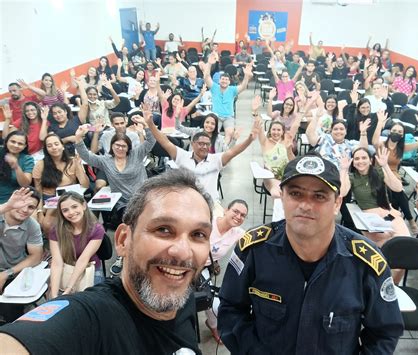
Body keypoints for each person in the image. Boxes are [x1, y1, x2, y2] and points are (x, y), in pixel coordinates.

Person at [0, 169, 214, 354]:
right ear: (123, 239)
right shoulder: (89, 317)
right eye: (163, 230)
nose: (183, 252)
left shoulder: (182, 297)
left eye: (198, 234)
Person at [217, 153, 404, 353]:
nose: (305, 205)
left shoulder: (366, 263)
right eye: (296, 194)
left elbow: (384, 332)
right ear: (282, 196)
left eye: (319, 196)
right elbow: (230, 310)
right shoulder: (253, 250)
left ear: (337, 204)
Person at [148, 118, 259, 204]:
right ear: (192, 144)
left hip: (209, 204)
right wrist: (150, 124)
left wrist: (249, 140)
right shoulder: (183, 156)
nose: (204, 147)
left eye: (207, 144)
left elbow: (233, 152)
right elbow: (165, 142)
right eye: (201, 144)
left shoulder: (216, 160)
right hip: (185, 203)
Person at [339, 147, 411, 248]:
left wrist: (385, 166)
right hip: (370, 218)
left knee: (404, 241)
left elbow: (398, 188)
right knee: (385, 242)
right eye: (357, 159)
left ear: (370, 160)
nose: (360, 161)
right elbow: (341, 193)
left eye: (364, 158)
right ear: (353, 162)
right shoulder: (352, 177)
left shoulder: (379, 172)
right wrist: (343, 169)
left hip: (389, 213)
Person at [372, 110, 418, 234]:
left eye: (399, 132)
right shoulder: (382, 145)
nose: (396, 133)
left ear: (402, 135)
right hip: (379, 174)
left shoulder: (402, 148)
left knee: (397, 192)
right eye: (394, 130)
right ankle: (410, 220)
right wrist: (380, 122)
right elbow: (374, 141)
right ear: (390, 131)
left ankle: (397, 219)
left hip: (394, 176)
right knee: (398, 192)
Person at [203, 199, 248, 343]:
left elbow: (256, 243)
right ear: (226, 210)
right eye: (235, 211)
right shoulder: (207, 223)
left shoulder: (237, 233)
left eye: (243, 215)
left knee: (215, 305)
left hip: (202, 271)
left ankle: (213, 326)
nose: (238, 216)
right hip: (185, 265)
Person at [48, 192, 104, 299]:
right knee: (53, 296)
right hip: (67, 266)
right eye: (65, 210)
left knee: (90, 302)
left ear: (83, 205)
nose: (71, 212)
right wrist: (54, 295)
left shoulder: (96, 229)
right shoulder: (55, 230)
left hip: (89, 267)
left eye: (74, 207)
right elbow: (57, 262)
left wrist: (69, 289)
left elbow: (83, 259)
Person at [0, 188, 43, 323]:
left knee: (10, 312)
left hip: (12, 272)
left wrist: (7, 273)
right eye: (21, 203)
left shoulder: (32, 226)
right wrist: (8, 206)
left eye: (31, 207)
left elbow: (36, 256)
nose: (24, 209)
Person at [33, 133, 90, 235]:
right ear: (46, 149)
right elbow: (38, 191)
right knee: (46, 224)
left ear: (62, 146)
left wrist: (78, 166)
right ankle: (54, 245)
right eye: (49, 146)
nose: (54, 148)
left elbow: (85, 185)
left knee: (74, 222)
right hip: (49, 199)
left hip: (68, 198)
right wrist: (40, 212)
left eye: (56, 144)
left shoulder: (72, 161)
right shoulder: (40, 164)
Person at [204, 52, 253, 144]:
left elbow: (243, 86)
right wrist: (209, 64)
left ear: (229, 82)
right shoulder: (214, 87)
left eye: (226, 80)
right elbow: (206, 77)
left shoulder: (232, 90)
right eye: (222, 79)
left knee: (229, 133)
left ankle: (224, 150)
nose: (224, 81)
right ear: (219, 80)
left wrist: (246, 76)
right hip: (216, 116)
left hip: (228, 117)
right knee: (212, 132)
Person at [306, 109, 370, 169]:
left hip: (341, 175)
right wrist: (316, 117)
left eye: (341, 129)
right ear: (331, 131)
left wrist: (363, 133)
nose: (338, 131)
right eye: (335, 129)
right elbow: (310, 135)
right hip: (323, 173)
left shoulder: (350, 144)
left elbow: (363, 150)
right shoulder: (325, 138)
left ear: (346, 132)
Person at [0, 131, 34, 204]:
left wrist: (16, 167)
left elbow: (25, 184)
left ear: (25, 146)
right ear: (6, 141)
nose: (16, 145)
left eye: (20, 144)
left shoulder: (27, 159)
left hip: (13, 200)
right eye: (13, 141)